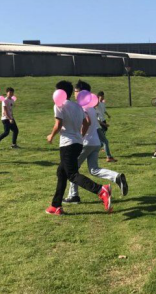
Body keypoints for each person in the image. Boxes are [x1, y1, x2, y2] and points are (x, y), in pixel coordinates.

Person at [45, 80, 112, 216]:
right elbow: (86, 123)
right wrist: (79, 136)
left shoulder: (59, 105)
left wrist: (51, 135)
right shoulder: (77, 106)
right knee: (61, 172)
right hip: (78, 143)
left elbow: (58, 124)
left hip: (67, 144)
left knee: (72, 175)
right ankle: (56, 205)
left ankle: (101, 190)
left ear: (61, 92)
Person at [63, 80, 128, 204]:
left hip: (86, 143)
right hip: (95, 143)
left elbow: (87, 122)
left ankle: (73, 195)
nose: (74, 93)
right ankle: (117, 177)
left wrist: (80, 138)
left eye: (76, 91)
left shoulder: (82, 107)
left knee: (72, 170)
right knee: (94, 169)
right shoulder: (91, 107)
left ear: (81, 92)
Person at [95, 91, 117, 163]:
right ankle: (108, 155)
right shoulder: (96, 104)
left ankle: (99, 149)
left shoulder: (102, 103)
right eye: (102, 96)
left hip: (103, 120)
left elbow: (104, 110)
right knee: (104, 140)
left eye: (103, 96)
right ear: (98, 96)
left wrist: (108, 115)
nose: (103, 97)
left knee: (103, 138)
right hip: (100, 121)